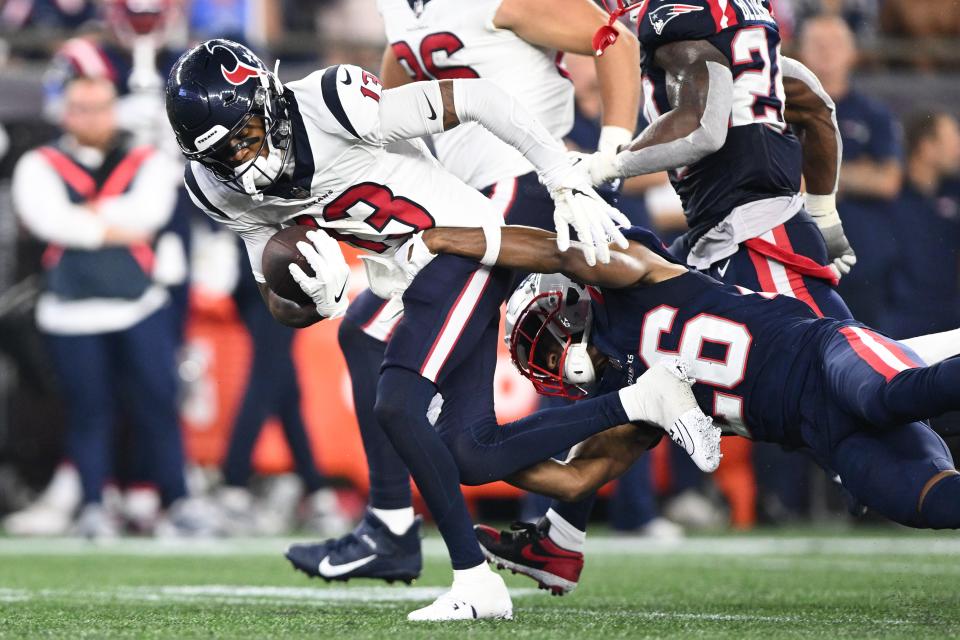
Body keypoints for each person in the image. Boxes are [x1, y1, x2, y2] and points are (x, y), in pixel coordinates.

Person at [166, 38, 633, 621]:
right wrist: (314, 300)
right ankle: (639, 403)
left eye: (246, 137)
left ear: (267, 100)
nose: (240, 161)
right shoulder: (216, 186)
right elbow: (275, 299)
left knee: (400, 402)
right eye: (221, 154)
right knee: (469, 450)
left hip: (466, 245)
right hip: (415, 271)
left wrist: (562, 179)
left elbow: (480, 98)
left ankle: (467, 576)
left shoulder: (332, 104)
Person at [287, 0, 645, 584]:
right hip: (462, 199)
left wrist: (612, 154)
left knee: (374, 335)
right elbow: (391, 103)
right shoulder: (399, 11)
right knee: (486, 415)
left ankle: (394, 526)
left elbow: (615, 40)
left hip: (520, 185)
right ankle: (556, 535)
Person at [413, 222, 960, 594]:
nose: (551, 356)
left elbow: (557, 251)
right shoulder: (629, 399)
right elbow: (575, 480)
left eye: (546, 336)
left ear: (572, 300)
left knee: (893, 394)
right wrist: (470, 454)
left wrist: (450, 240)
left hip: (827, 354)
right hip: (822, 434)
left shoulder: (636, 278)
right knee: (926, 504)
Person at [9, 75, 190, 537]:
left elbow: (151, 214)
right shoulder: (39, 162)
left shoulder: (145, 159)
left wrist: (86, 221)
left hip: (138, 303)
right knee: (89, 412)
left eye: (100, 107)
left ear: (115, 109)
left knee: (158, 404)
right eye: (81, 108)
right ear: (65, 113)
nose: (91, 118)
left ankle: (176, 499)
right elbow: (48, 221)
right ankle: (94, 502)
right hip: (70, 310)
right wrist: (112, 225)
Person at [799, 15, 902, 327]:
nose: (827, 52)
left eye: (835, 44)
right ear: (800, 53)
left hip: (863, 260)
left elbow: (888, 181)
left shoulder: (874, 115)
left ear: (853, 52)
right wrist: (856, 174)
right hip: (799, 257)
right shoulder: (780, 110)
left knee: (873, 351)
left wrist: (818, 176)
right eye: (817, 45)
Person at [882, 112, 960, 338]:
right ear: (927, 147)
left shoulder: (954, 192)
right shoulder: (888, 196)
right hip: (899, 320)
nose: (958, 150)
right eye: (953, 140)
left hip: (950, 317)